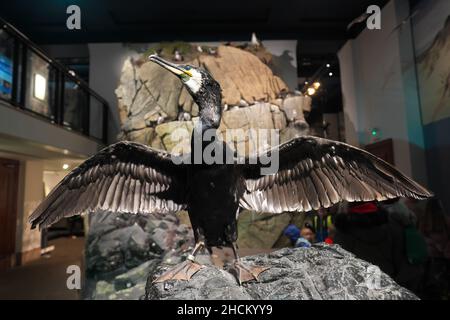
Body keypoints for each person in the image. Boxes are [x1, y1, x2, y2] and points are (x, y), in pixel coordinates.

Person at [334, 200, 425, 294]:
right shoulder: (394, 228)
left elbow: (340, 272)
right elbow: (403, 267)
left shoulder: (343, 233)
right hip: (389, 288)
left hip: (358, 291)